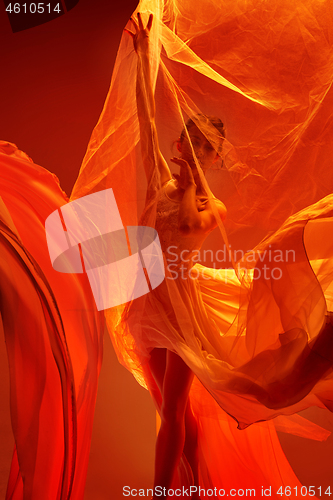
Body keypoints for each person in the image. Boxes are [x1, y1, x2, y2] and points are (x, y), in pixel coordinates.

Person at [121, 12, 333, 499]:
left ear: (213, 160)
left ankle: (163, 493)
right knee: (170, 411)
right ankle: (190, 488)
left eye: (204, 151)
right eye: (189, 144)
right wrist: (143, 60)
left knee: (176, 408)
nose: (191, 154)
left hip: (182, 312)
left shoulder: (209, 205)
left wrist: (195, 174)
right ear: (180, 145)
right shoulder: (159, 184)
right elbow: (145, 123)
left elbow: (193, 222)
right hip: (148, 305)